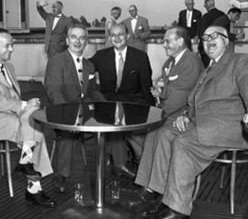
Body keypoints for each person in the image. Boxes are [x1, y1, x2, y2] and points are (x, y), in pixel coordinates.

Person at [133, 26, 248, 219]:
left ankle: (177, 209)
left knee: (183, 143)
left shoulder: (240, 62)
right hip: (199, 121)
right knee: (164, 133)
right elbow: (194, 99)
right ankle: (161, 195)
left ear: (227, 41)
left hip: (227, 126)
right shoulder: (210, 66)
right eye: (205, 38)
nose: (209, 40)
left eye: (215, 36)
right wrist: (185, 114)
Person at [0, 28, 55, 207]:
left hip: (10, 114)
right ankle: (33, 187)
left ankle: (25, 164)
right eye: (7, 45)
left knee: (34, 118)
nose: (11, 49)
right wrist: (24, 105)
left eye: (12, 45)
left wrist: (27, 105)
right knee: (34, 129)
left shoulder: (8, 66)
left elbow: (12, 99)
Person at [44, 24, 105, 192]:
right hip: (61, 111)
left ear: (86, 42)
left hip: (84, 111)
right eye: (74, 37)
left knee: (106, 130)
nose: (78, 41)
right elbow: (54, 92)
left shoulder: (89, 66)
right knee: (68, 135)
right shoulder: (57, 61)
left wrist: (107, 106)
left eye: (82, 38)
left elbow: (93, 92)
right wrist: (69, 115)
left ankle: (103, 171)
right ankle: (62, 175)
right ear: (66, 40)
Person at [90, 24, 154, 175]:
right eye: (113, 35)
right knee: (113, 118)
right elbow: (84, 67)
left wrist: (152, 110)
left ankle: (118, 158)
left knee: (124, 121)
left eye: (120, 34)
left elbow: (146, 86)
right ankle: (120, 161)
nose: (117, 38)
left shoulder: (140, 57)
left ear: (128, 36)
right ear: (109, 37)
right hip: (108, 102)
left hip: (133, 102)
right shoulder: (100, 56)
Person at [151, 26, 204, 118]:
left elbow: (181, 97)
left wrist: (157, 113)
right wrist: (161, 92)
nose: (164, 45)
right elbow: (172, 88)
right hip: (171, 112)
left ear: (180, 41)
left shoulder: (191, 61)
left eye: (167, 41)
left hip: (183, 115)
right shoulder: (170, 62)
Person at [197, 0, 225, 67]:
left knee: (208, 69)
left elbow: (202, 33)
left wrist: (200, 48)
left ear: (207, 6)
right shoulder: (222, 14)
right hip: (220, 46)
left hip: (208, 48)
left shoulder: (205, 17)